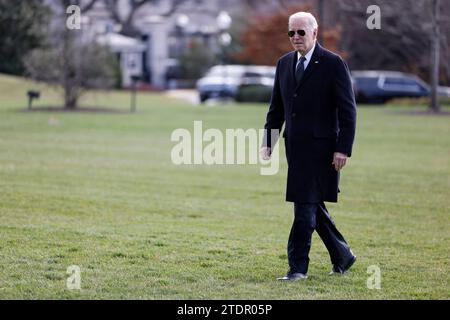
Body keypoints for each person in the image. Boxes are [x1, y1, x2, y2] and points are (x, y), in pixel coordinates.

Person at [260, 12, 357, 281]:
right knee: (311, 204)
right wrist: (268, 141)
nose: (295, 38)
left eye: (301, 32)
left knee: (304, 207)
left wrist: (343, 148)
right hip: (296, 149)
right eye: (291, 33)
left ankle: (298, 269)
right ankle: (343, 255)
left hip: (323, 150)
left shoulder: (333, 63)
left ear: (314, 33)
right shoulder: (283, 64)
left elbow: (348, 111)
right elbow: (276, 108)